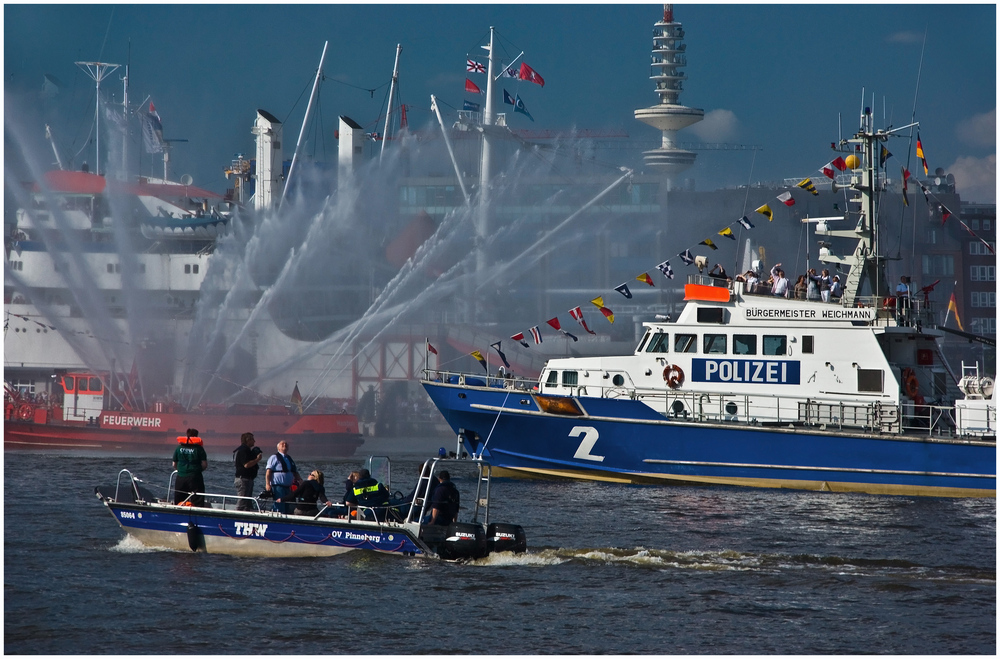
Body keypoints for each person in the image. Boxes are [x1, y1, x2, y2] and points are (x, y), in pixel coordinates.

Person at [172, 428, 207, 506]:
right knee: (197, 500)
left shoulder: (179, 448)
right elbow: (204, 465)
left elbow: (174, 464)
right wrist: (197, 470)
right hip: (195, 477)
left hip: (180, 478)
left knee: (179, 501)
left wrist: (181, 470)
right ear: (196, 437)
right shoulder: (199, 449)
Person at [265, 440, 302, 514]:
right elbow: (268, 471)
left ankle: (287, 517)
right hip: (278, 487)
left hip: (288, 487)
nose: (284, 444)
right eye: (282, 444)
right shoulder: (274, 457)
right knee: (279, 504)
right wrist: (267, 484)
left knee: (288, 505)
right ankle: (277, 516)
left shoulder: (289, 458)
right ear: (278, 447)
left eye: (286, 444)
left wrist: (301, 481)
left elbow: (294, 472)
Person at [233, 432, 263, 511]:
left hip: (248, 479)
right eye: (252, 439)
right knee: (242, 500)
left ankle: (246, 514)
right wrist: (257, 459)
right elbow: (246, 464)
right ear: (248, 440)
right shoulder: (243, 450)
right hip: (243, 479)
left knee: (247, 502)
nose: (254, 441)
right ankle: (237, 516)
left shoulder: (247, 450)